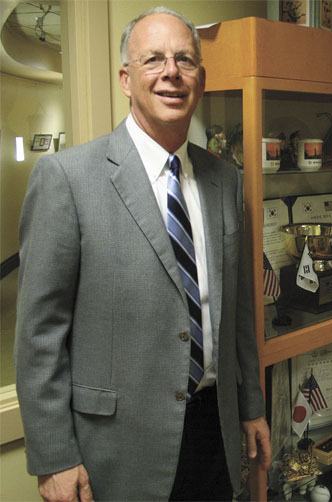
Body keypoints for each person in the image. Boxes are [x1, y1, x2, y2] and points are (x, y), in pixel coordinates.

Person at [15, 7, 270, 501]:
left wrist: (251, 407)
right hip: (117, 450)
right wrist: (54, 458)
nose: (171, 72)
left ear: (201, 78)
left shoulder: (224, 181)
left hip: (212, 433)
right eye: (153, 59)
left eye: (185, 60)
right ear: (126, 80)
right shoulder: (67, 180)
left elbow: (237, 311)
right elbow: (39, 336)